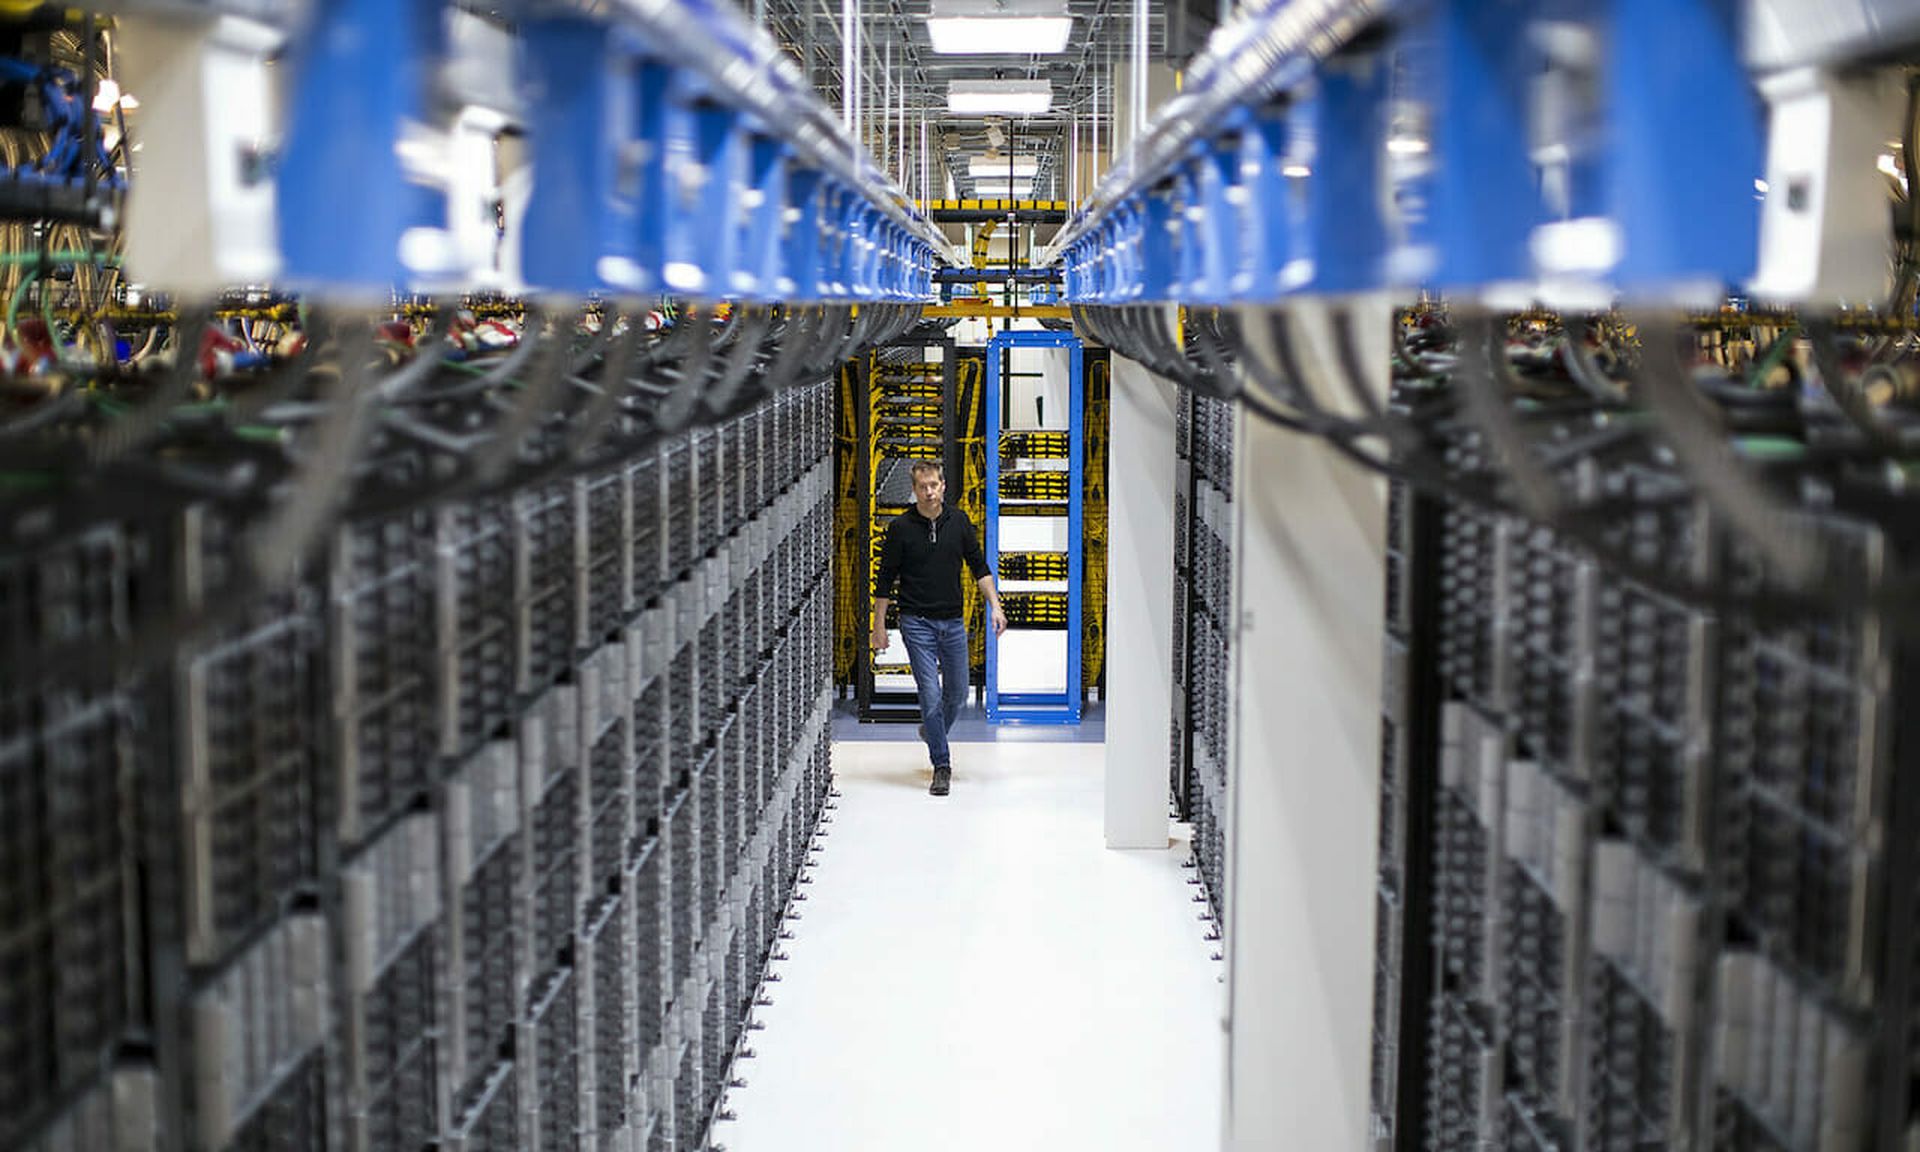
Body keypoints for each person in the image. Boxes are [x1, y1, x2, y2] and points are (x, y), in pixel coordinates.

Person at [871, 461, 1006, 796]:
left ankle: (932, 731)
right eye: (922, 487)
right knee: (930, 696)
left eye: (934, 485)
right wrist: (879, 627)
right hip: (916, 622)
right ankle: (941, 764)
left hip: (952, 622)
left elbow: (979, 567)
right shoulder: (900, 528)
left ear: (943, 485)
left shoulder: (959, 522)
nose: (929, 492)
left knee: (957, 694)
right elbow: (885, 580)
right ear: (913, 490)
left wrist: (996, 606)